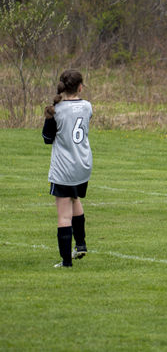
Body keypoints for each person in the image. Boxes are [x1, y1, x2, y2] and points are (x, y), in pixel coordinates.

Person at [42, 69, 92, 268]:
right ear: (80, 87)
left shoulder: (57, 110)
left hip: (64, 168)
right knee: (74, 198)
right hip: (83, 165)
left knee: (64, 215)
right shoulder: (88, 107)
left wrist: (48, 118)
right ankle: (80, 245)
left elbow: (47, 139)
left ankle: (66, 262)